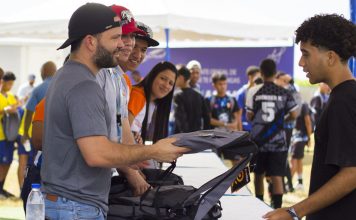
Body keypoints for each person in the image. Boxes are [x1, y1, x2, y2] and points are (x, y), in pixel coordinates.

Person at [41, 3, 188, 219]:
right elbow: (97, 153)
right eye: (115, 38)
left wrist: (134, 158)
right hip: (75, 206)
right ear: (91, 41)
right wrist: (153, 151)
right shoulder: (84, 85)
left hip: (70, 203)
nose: (122, 45)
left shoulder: (68, 75)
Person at [263, 14, 356, 220]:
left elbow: (352, 173)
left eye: (306, 54)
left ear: (330, 57)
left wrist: (294, 211)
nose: (301, 62)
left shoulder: (344, 100)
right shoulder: (342, 96)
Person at [96, 4, 150, 196]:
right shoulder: (94, 74)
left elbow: (122, 125)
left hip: (97, 183)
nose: (128, 43)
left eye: (131, 36)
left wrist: (135, 165)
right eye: (121, 35)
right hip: (70, 189)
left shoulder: (118, 77)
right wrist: (129, 170)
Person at [246, 59, 297, 209]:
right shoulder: (284, 92)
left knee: (258, 175)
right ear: (275, 73)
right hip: (278, 141)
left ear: (261, 73)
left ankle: (259, 204)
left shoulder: (253, 91)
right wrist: (280, 120)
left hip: (258, 141)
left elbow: (249, 116)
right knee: (277, 176)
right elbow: (294, 113)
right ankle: (277, 208)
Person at [128, 61, 177, 146]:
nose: (166, 85)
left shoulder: (153, 104)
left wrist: (136, 137)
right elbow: (121, 131)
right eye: (163, 78)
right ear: (153, 76)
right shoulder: (138, 95)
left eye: (170, 83)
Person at [21, 61, 56, 144]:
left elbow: (29, 113)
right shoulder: (64, 86)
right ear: (55, 71)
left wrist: (25, 133)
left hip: (43, 135)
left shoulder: (37, 90)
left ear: (43, 72)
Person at [173, 66, 210, 133]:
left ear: (181, 78)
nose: (173, 80)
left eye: (175, 77)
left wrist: (185, 136)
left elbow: (181, 120)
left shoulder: (177, 96)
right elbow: (207, 118)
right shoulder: (199, 95)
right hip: (197, 136)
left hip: (182, 138)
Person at [0, 72, 19, 198]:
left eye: (12, 84)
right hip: (1, 135)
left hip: (10, 135)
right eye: (9, 83)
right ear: (3, 82)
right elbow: (6, 110)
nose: (10, 86)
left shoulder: (11, 96)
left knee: (7, 162)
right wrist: (7, 109)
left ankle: (1, 187)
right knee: (1, 162)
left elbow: (15, 109)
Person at [290, 102, 312, 191]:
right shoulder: (297, 105)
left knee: (294, 160)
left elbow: (308, 121)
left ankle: (287, 184)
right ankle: (300, 182)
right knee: (298, 159)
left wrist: (309, 137)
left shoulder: (302, 105)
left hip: (299, 138)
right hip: (298, 137)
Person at [236, 65, 261, 132]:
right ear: (250, 77)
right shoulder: (241, 93)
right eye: (258, 77)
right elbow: (238, 115)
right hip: (246, 130)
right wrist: (240, 133)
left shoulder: (261, 91)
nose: (259, 79)